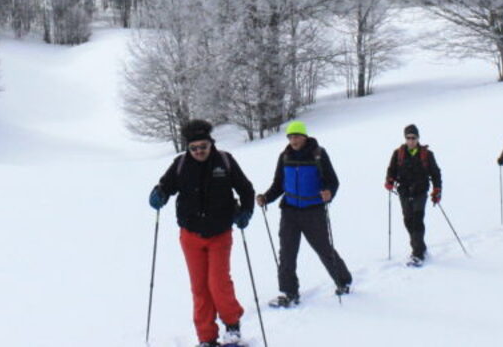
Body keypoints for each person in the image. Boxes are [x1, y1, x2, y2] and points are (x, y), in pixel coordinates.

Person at [148, 119, 255, 347]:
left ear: (210, 144)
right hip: (190, 235)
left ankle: (232, 326)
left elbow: (246, 189)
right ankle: (206, 337)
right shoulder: (180, 164)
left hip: (220, 233)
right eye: (194, 148)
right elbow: (165, 186)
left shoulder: (224, 161)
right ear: (188, 148)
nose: (199, 152)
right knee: (199, 287)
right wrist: (159, 194)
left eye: (203, 147)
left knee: (218, 283)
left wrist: (246, 211)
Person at [256, 121, 352, 308]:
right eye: (290, 137)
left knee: (324, 249)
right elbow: (278, 184)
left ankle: (343, 282)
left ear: (305, 137)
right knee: (287, 253)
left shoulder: (318, 154)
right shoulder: (284, 157)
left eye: (297, 136)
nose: (294, 140)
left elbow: (333, 181)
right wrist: (266, 197)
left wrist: (329, 193)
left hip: (313, 211)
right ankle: (290, 292)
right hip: (290, 212)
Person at [384, 124, 442, 267]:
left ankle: (417, 254)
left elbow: (435, 173)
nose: (411, 141)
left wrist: (437, 190)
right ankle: (419, 247)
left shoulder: (427, 155)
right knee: (408, 220)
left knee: (417, 219)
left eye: (413, 138)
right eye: (408, 138)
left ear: (418, 138)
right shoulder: (398, 153)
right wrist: (389, 180)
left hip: (420, 191)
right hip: (404, 191)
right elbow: (391, 170)